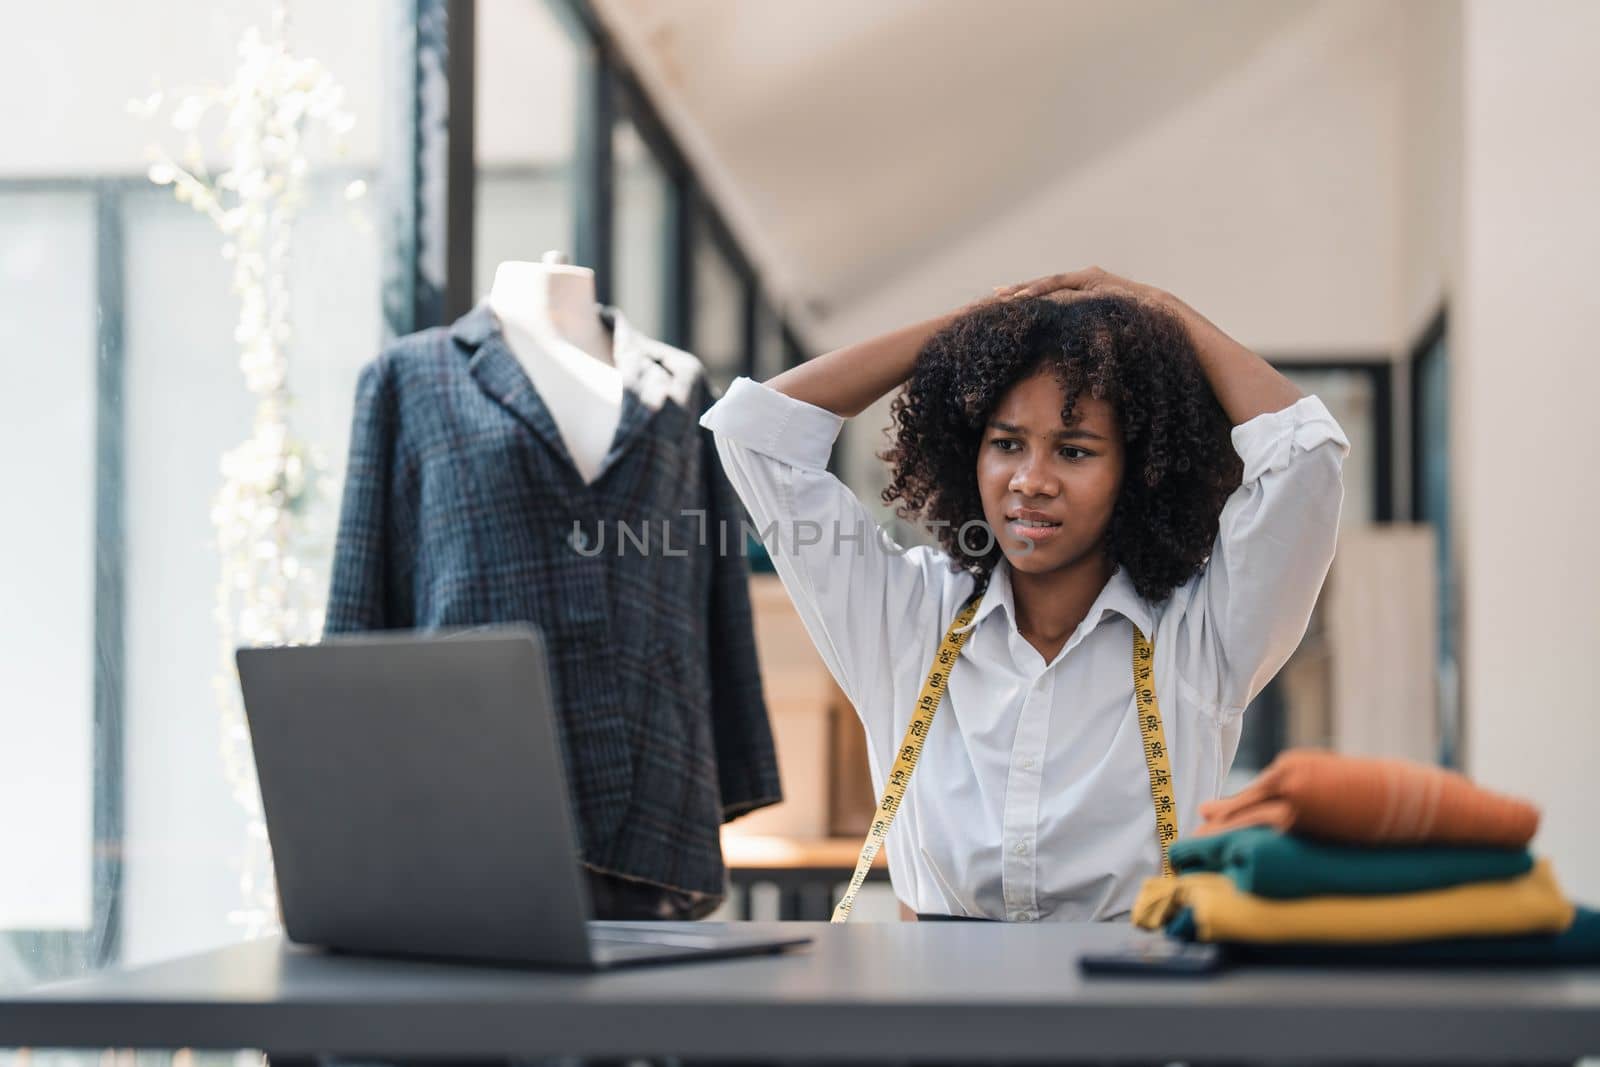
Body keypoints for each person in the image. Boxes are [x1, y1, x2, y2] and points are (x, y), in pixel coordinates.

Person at [697, 266, 1349, 922]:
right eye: (1007, 443)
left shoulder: (1199, 637)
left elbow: (1306, 457)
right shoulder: (906, 616)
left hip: (1133, 1003)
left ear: (1139, 471)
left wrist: (1162, 312)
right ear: (968, 454)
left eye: (1075, 450)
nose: (1031, 480)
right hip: (937, 1005)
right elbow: (755, 431)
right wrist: (972, 329)